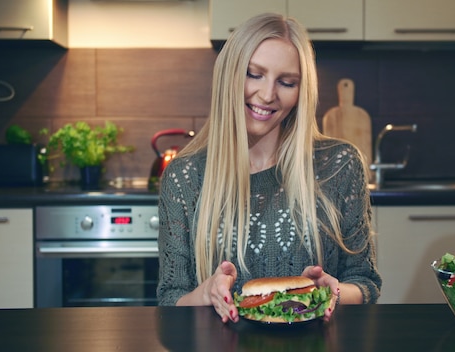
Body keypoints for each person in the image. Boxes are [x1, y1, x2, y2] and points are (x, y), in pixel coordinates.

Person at [157, 12, 381, 323]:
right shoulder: (184, 176)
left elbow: (366, 281)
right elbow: (171, 297)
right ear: (230, 75)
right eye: (254, 74)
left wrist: (335, 291)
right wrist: (207, 292)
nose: (267, 94)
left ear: (302, 92)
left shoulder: (340, 165)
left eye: (286, 82)